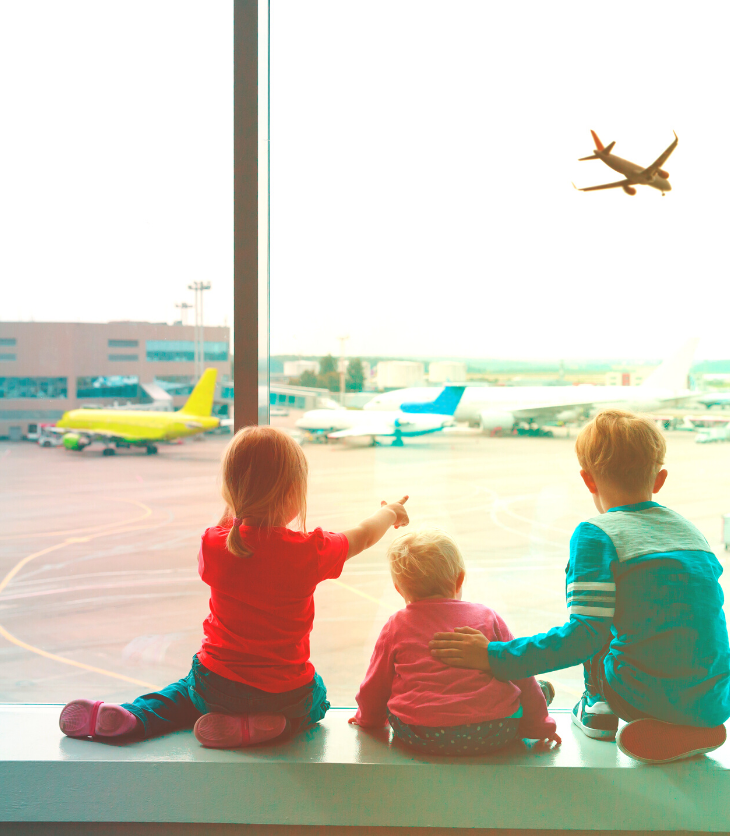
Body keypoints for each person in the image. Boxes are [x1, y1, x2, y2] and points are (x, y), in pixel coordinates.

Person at [59, 426, 409, 748]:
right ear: (292, 494)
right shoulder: (309, 551)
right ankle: (261, 727)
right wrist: (391, 512)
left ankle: (136, 717)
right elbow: (363, 535)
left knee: (183, 693)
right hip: (284, 692)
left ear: (230, 491)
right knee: (316, 699)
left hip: (216, 685)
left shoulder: (214, 544)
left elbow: (237, 530)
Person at [430, 410, 730, 764]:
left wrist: (495, 657)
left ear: (589, 481)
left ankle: (598, 707)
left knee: (593, 618)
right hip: (715, 698)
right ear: (660, 479)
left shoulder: (596, 534)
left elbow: (583, 637)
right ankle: (692, 724)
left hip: (641, 699)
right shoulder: (691, 532)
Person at [350, 529, 560, 754]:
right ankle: (544, 693)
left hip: (419, 734)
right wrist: (540, 724)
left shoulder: (396, 625)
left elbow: (374, 687)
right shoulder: (487, 617)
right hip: (495, 731)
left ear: (398, 588)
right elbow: (521, 673)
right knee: (527, 689)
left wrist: (368, 720)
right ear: (460, 579)